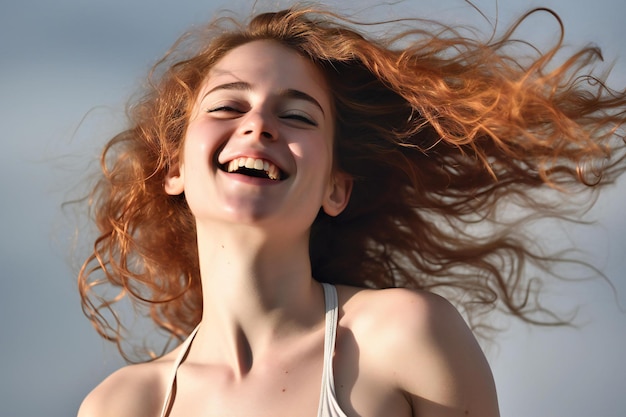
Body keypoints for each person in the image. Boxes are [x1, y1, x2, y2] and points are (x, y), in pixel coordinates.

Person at [75, 4, 625, 417]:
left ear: (336, 189)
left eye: (298, 116)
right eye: (227, 105)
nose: (258, 123)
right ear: (172, 169)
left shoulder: (406, 337)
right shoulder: (124, 406)